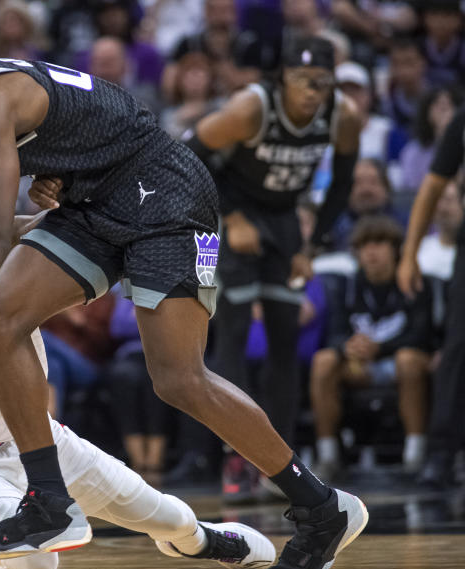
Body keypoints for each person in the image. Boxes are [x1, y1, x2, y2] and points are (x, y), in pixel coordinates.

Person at [0, 7, 366, 569]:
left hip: (169, 200)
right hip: (97, 204)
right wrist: (57, 168)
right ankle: (49, 497)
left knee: (178, 378)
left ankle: (322, 507)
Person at [0, 173, 276, 569]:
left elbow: (60, 228)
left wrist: (68, 205)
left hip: (35, 439)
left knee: (168, 517)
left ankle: (199, 541)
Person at [184, 36, 362, 504]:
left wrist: (314, 243)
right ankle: (236, 456)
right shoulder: (250, 108)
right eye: (303, 82)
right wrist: (232, 217)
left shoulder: (343, 116)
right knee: (235, 332)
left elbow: (342, 185)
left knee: (285, 337)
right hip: (228, 212)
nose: (311, 92)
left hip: (283, 219)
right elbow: (188, 154)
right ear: (283, 77)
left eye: (321, 84)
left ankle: (278, 458)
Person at [311, 216, 434, 478]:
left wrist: (380, 348)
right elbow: (334, 334)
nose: (371, 251)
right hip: (361, 366)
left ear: (395, 249)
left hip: (400, 362)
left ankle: (416, 454)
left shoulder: (413, 282)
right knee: (323, 361)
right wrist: (349, 347)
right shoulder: (348, 286)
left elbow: (422, 335)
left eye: (379, 243)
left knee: (408, 359)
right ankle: (328, 455)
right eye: (364, 245)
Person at [397, 102, 465, 488]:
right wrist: (409, 254)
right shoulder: (461, 122)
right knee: (457, 349)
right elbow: (433, 186)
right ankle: (442, 452)